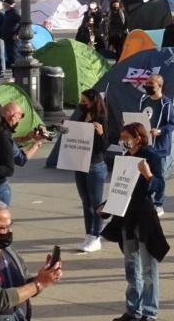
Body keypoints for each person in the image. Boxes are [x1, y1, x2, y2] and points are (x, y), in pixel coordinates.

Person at [100, 122, 169, 321]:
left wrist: (148, 175)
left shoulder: (151, 155)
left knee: (148, 268)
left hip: (144, 217)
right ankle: (133, 310)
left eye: (126, 137)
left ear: (137, 138)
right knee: (131, 266)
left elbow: (160, 186)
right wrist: (105, 206)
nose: (123, 141)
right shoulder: (126, 156)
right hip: (127, 218)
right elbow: (120, 188)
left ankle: (149, 313)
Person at [70, 88, 110, 253]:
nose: (82, 104)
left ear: (93, 102)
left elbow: (104, 146)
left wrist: (100, 134)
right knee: (85, 202)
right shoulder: (81, 117)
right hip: (80, 163)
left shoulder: (101, 119)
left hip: (94, 164)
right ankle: (89, 234)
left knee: (95, 202)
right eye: (81, 101)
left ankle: (96, 235)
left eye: (85, 101)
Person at [138, 73, 174, 215]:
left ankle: (159, 203)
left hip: (159, 147)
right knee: (144, 174)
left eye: (151, 84)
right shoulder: (144, 100)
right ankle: (145, 199)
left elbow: (172, 124)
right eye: (146, 83)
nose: (147, 86)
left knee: (159, 175)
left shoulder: (166, 104)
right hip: (145, 144)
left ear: (159, 86)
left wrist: (160, 131)